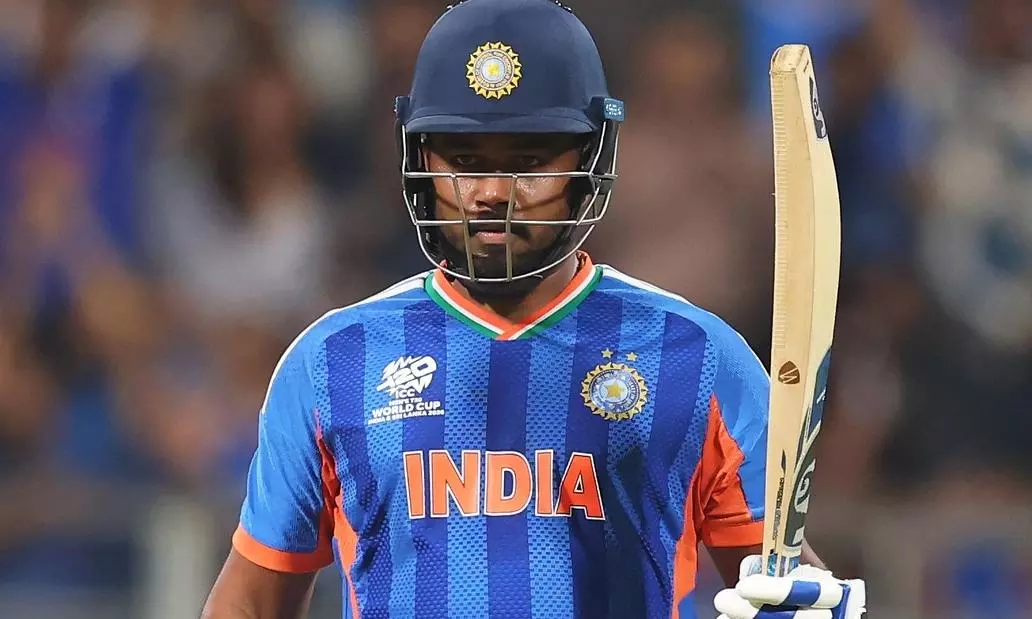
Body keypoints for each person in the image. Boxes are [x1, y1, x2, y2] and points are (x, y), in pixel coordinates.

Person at [201, 1, 867, 617]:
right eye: (464, 159)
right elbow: (247, 602)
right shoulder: (332, 362)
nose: (492, 191)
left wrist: (814, 607)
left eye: (528, 160)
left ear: (592, 156)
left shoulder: (697, 357)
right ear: (418, 156)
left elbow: (779, 577)